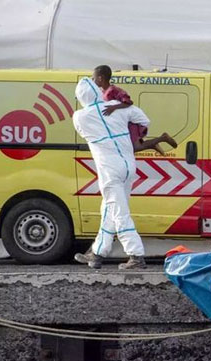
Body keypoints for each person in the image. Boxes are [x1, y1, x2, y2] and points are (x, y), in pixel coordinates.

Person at [72, 77, 148, 269]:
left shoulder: (79, 117)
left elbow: (85, 131)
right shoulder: (117, 106)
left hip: (109, 169)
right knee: (108, 210)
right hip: (129, 165)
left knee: (119, 212)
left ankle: (136, 254)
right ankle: (98, 252)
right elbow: (144, 120)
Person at [92, 65, 178, 155]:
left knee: (134, 147)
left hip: (133, 121)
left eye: (93, 78)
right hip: (126, 122)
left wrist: (113, 108)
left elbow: (128, 102)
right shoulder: (103, 92)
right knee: (130, 146)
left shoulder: (113, 90)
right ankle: (153, 144)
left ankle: (162, 138)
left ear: (100, 78)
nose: (93, 81)